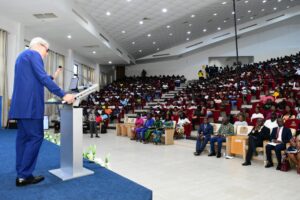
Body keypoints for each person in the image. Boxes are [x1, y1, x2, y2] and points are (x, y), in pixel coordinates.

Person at [9, 37, 75, 186]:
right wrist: (63, 94)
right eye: (46, 50)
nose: (46, 54)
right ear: (40, 46)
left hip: (20, 106)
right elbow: (42, 78)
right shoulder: (34, 55)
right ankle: (25, 175)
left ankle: (21, 173)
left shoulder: (21, 57)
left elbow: (37, 78)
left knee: (23, 139)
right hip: (30, 106)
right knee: (35, 137)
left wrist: (54, 75)